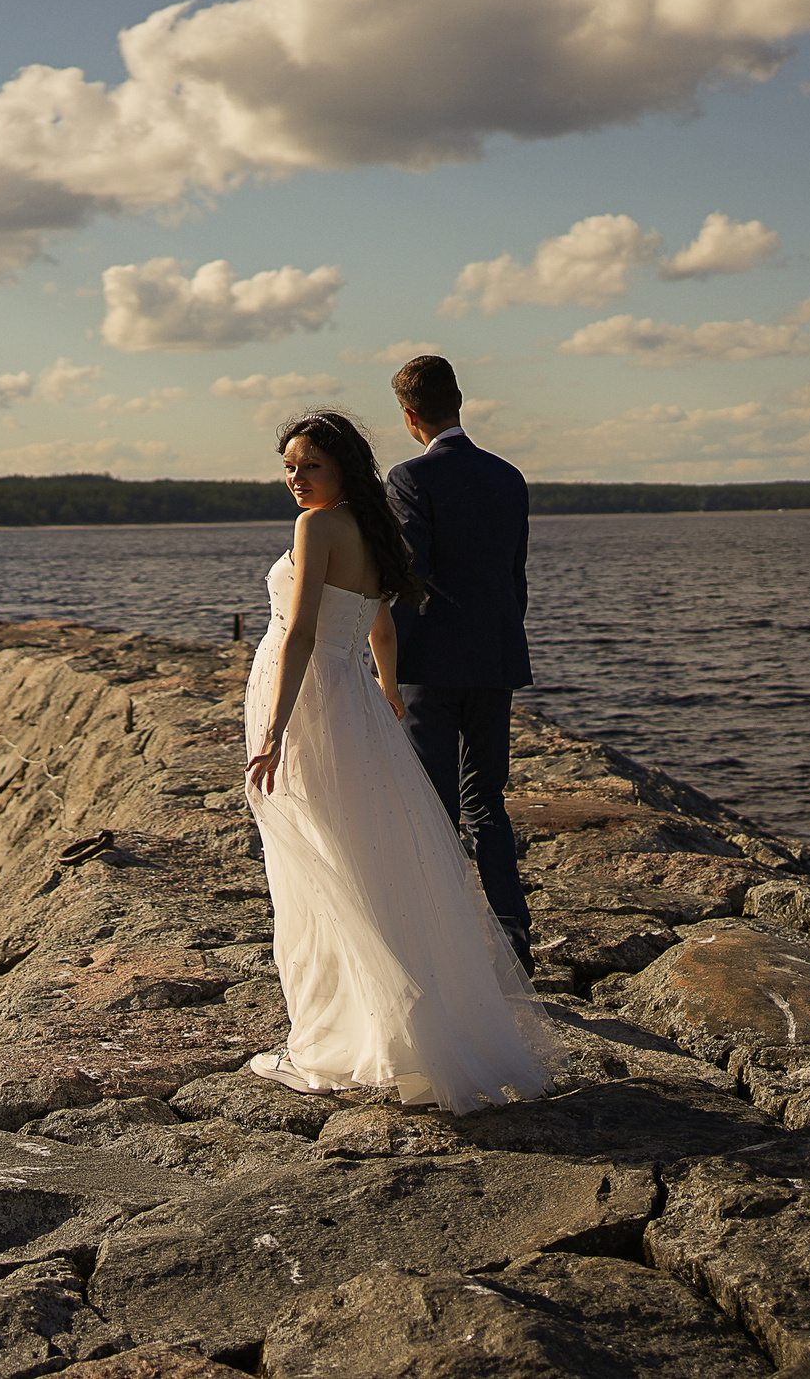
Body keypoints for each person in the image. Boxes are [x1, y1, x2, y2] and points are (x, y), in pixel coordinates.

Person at [242, 410, 562, 1112]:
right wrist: (385, 690)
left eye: (310, 466)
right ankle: (398, 1034)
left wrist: (273, 729)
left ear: (344, 467)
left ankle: (330, 1035)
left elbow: (298, 633)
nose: (296, 479)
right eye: (290, 466)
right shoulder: (374, 527)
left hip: (311, 701)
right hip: (351, 698)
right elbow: (381, 624)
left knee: (316, 865)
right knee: (365, 860)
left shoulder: (317, 527)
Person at [384, 355, 535, 968]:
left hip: (431, 662)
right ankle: (513, 937)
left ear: (410, 415)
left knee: (434, 803)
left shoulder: (409, 478)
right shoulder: (508, 477)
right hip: (495, 657)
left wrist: (384, 663)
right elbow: (514, 578)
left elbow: (407, 572)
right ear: (461, 402)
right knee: (487, 800)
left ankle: (444, 944)